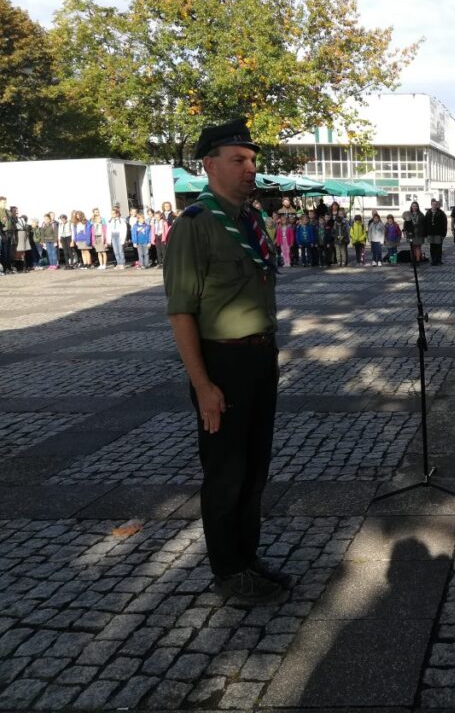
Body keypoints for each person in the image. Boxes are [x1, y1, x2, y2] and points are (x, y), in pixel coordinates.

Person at [163, 118, 286, 602]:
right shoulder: (196, 226)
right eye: (238, 160)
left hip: (260, 358)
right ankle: (227, 570)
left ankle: (247, 558)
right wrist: (204, 385)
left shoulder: (250, 221)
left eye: (252, 160)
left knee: (255, 468)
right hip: (223, 364)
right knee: (226, 472)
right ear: (210, 165)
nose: (249, 168)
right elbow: (181, 312)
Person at [425, 198, 447, 265]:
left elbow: (444, 224)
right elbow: (425, 223)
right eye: (433, 204)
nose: (434, 206)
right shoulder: (428, 212)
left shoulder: (441, 213)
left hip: (438, 233)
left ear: (437, 205)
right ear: (431, 205)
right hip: (430, 233)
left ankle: (438, 260)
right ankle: (433, 260)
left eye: (435, 204)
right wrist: (425, 233)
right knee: (432, 247)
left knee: (438, 247)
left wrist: (443, 234)